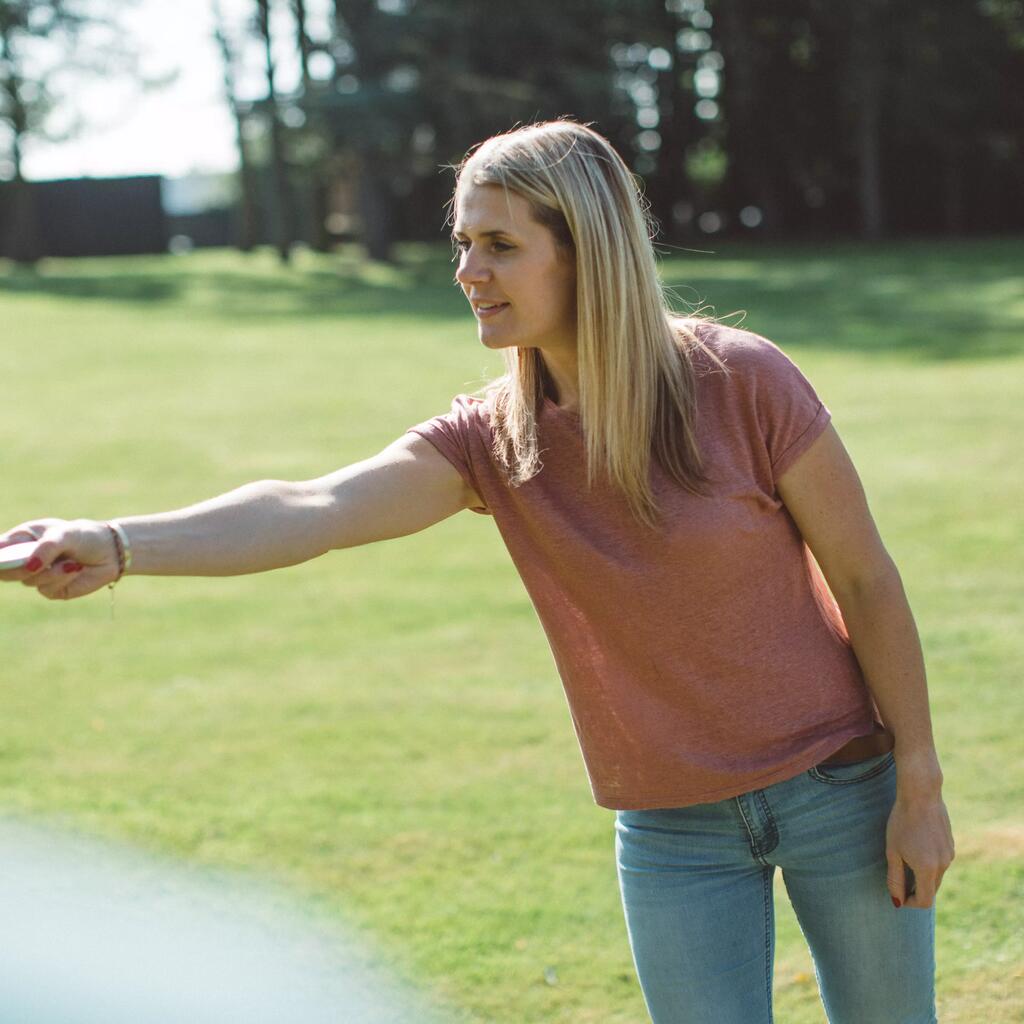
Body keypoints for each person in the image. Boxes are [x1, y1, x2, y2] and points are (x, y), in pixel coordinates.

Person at [0, 118, 953, 1024]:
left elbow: (866, 581)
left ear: (582, 248)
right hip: (672, 829)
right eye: (462, 244)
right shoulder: (492, 441)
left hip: (841, 790)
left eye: (498, 245)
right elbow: (313, 508)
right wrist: (119, 541)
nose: (466, 271)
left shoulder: (742, 381)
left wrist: (919, 787)